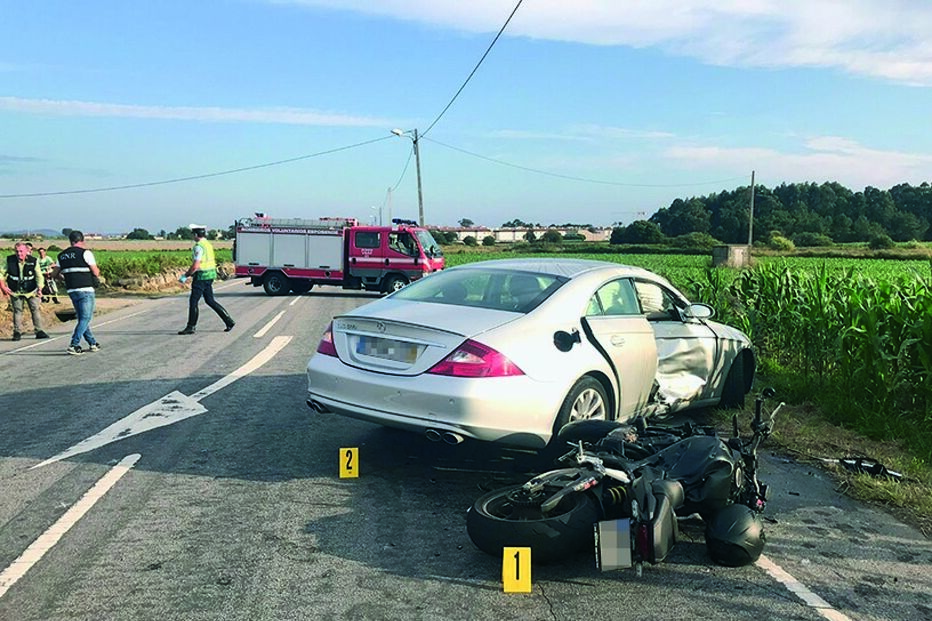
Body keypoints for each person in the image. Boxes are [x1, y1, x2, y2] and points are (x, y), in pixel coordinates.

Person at [177, 225, 234, 335]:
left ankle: (191, 326)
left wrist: (185, 276)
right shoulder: (207, 244)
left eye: (192, 234)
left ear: (196, 235)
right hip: (210, 275)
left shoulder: (198, 247)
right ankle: (229, 321)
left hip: (201, 276)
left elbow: (195, 266)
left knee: (193, 302)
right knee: (210, 301)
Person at [52, 230, 101, 355]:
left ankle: (92, 343)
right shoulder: (86, 253)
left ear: (70, 241)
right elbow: (95, 272)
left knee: (82, 318)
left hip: (72, 290)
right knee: (86, 318)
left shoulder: (61, 255)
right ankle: (74, 344)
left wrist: (65, 278)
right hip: (86, 289)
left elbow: (54, 274)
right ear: (82, 240)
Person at [0, 241, 50, 341]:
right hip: (15, 291)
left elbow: (39, 276)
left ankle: (39, 331)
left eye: (21, 251)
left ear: (27, 251)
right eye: (17, 251)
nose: (19, 254)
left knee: (35, 309)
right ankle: (17, 332)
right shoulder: (10, 260)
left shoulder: (33, 261)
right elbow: (1, 273)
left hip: (31, 290)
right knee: (17, 311)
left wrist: (40, 288)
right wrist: (3, 287)